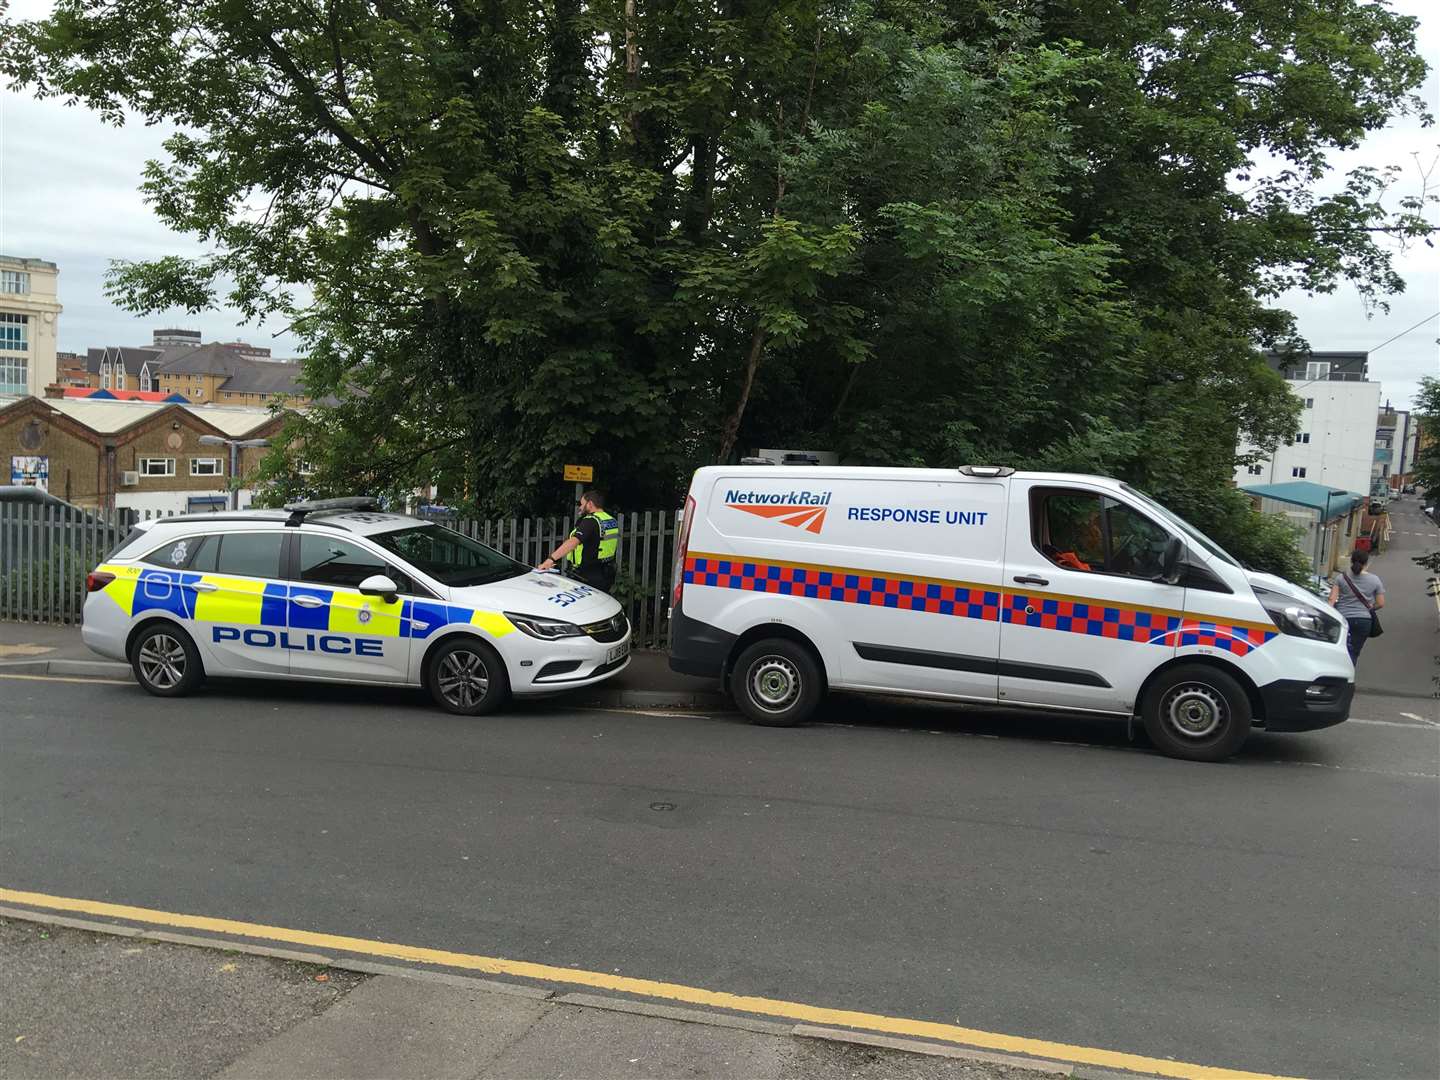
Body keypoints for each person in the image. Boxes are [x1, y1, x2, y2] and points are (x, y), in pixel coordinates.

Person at [538, 490, 621, 591]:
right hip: (606, 573)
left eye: (582, 504)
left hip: (587, 576)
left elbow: (573, 542)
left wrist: (550, 560)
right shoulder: (611, 520)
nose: (580, 507)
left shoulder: (590, 521)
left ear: (590, 504)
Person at [1329, 549, 1385, 663]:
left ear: (1351, 561)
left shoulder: (1341, 578)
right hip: (1364, 621)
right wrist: (1369, 607)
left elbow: (1332, 599)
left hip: (1343, 619)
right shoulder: (1375, 580)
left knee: (1340, 650)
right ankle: (1350, 675)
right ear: (1366, 562)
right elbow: (1380, 603)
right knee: (1354, 652)